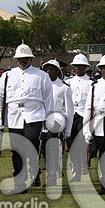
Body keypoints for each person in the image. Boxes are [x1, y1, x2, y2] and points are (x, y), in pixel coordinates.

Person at [0, 43, 54, 193]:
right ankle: (19, 183)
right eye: (20, 58)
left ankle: (35, 170)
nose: (23, 61)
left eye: (25, 58)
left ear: (30, 58)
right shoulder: (7, 76)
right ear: (16, 59)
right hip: (14, 116)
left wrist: (49, 120)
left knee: (33, 143)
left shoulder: (41, 75)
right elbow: (0, 99)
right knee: (16, 150)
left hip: (34, 114)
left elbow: (49, 99)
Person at [82, 54, 105, 195]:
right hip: (98, 121)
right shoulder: (94, 86)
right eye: (103, 68)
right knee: (102, 152)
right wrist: (86, 129)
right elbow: (88, 108)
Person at [40, 59, 74, 187]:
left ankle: (52, 177)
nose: (49, 72)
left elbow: (69, 111)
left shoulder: (64, 87)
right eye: (47, 69)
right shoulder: (42, 86)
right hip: (44, 120)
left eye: (52, 69)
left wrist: (68, 130)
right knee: (44, 148)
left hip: (58, 120)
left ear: (57, 71)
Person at [67, 53, 93, 181]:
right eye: (75, 65)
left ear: (85, 67)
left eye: (80, 66)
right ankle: (75, 168)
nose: (77, 68)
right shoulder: (68, 82)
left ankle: (81, 166)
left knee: (81, 143)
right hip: (71, 115)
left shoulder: (91, 83)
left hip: (84, 115)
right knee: (71, 143)